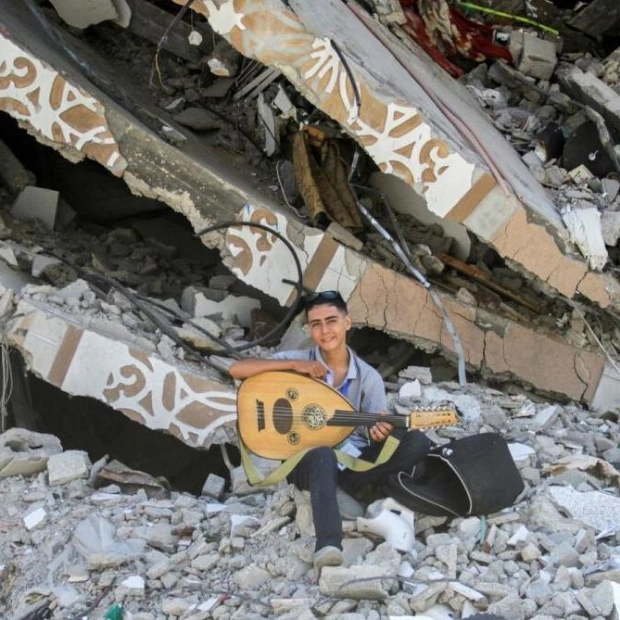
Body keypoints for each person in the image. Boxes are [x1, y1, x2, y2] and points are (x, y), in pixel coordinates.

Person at [229, 290, 430, 573]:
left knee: (417, 442)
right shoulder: (296, 362)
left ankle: (353, 489)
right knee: (322, 453)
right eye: (316, 324)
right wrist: (292, 365)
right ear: (310, 329)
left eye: (332, 321)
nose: (325, 330)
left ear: (347, 323)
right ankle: (328, 544)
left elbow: (374, 427)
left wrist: (379, 433)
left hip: (351, 463)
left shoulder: (368, 377)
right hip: (305, 460)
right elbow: (238, 369)